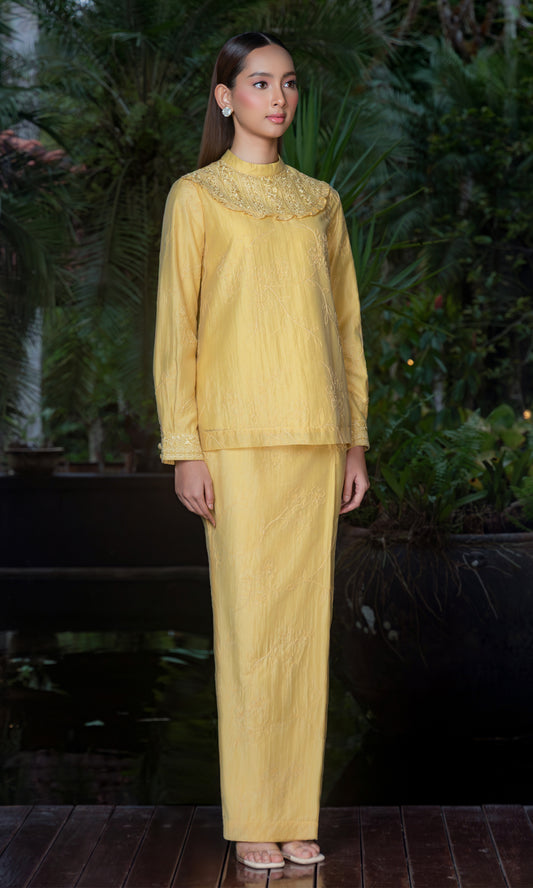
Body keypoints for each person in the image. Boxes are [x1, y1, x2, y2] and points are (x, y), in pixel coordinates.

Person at [153, 31, 369, 871]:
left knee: (302, 635)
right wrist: (185, 448)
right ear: (224, 96)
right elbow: (178, 329)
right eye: (257, 83)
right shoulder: (196, 197)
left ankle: (290, 814)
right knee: (248, 632)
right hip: (233, 441)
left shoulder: (319, 201)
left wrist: (354, 441)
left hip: (316, 437)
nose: (277, 98)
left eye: (286, 83)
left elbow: (345, 332)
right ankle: (253, 818)